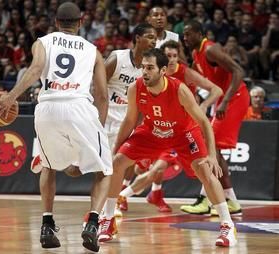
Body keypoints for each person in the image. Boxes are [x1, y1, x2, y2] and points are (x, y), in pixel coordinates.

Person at [0, 2, 112, 252]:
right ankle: (92, 223)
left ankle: (47, 223)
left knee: (48, 165)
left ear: (56, 22)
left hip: (47, 107)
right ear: (80, 23)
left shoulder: (43, 42)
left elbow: (35, 69)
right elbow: (102, 95)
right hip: (79, 107)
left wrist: (11, 96)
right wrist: (97, 130)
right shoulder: (92, 50)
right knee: (104, 169)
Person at [98, 48, 237, 248]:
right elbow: (129, 121)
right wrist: (116, 150)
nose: (144, 72)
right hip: (152, 131)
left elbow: (204, 122)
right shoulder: (136, 87)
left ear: (163, 70)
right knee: (117, 163)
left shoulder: (178, 89)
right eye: (143, 67)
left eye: (150, 68)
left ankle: (227, 225)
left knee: (205, 170)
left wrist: (213, 155)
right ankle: (108, 219)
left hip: (184, 133)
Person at [117, 40, 223, 207]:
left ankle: (130, 194)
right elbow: (132, 117)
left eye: (175, 56)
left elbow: (216, 91)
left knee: (188, 169)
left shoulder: (184, 75)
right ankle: (152, 193)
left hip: (182, 132)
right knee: (135, 165)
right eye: (168, 56)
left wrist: (203, 106)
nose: (172, 59)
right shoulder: (142, 83)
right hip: (157, 130)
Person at [180, 20, 250, 216]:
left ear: (199, 34)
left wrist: (225, 102)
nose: (185, 38)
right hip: (224, 100)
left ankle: (205, 200)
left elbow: (238, 70)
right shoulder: (196, 54)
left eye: (188, 34)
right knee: (214, 149)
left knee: (211, 146)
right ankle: (230, 201)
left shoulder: (209, 50)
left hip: (235, 98)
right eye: (183, 35)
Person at [104, 23, 156, 214]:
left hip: (126, 123)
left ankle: (106, 210)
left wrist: (139, 127)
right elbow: (98, 84)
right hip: (105, 119)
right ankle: (49, 159)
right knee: (77, 169)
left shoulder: (149, 68)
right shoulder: (118, 58)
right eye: (150, 37)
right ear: (137, 38)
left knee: (115, 167)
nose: (154, 41)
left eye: (155, 38)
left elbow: (145, 100)